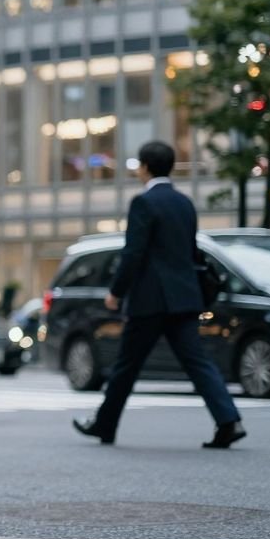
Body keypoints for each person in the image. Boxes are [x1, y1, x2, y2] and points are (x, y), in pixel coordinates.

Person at [74, 140, 246, 449]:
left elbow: (133, 253)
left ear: (145, 167)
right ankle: (228, 421)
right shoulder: (184, 203)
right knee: (198, 362)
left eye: (138, 165)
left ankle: (105, 424)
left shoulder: (144, 203)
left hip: (150, 300)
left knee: (127, 365)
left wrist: (116, 291)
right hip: (184, 298)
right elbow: (192, 252)